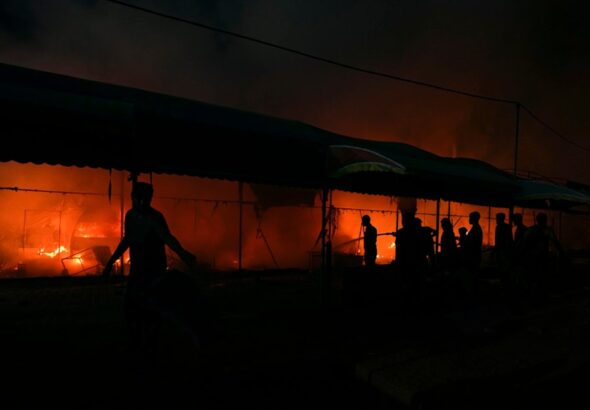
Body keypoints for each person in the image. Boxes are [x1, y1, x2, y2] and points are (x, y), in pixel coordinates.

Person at [102, 182, 198, 356]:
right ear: (133, 198)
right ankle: (137, 344)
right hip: (138, 269)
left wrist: (184, 255)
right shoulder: (130, 216)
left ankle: (151, 347)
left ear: (150, 199)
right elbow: (127, 240)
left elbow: (168, 239)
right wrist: (111, 261)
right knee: (132, 308)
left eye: (146, 199)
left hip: (154, 270)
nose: (142, 202)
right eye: (138, 198)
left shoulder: (155, 218)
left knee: (153, 309)